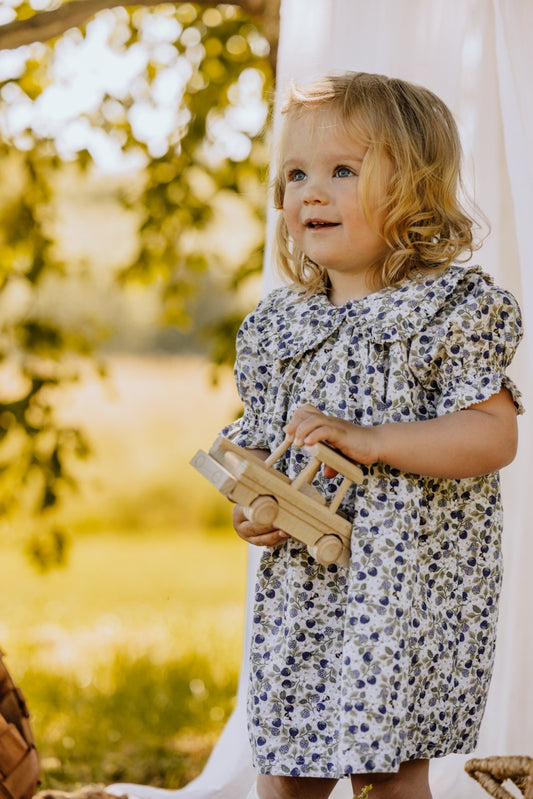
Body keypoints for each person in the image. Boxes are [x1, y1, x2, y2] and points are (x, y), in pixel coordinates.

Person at [222, 72, 524, 799]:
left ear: (414, 192)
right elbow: (259, 440)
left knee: (387, 772)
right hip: (303, 586)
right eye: (295, 174)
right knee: (288, 766)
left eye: (341, 171)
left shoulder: (447, 310)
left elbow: (491, 435)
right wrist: (254, 495)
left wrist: (374, 439)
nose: (309, 193)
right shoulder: (280, 325)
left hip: (405, 588)